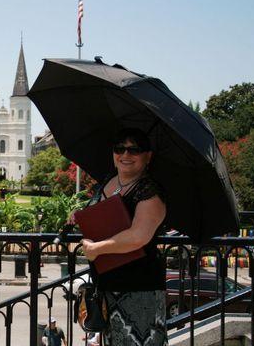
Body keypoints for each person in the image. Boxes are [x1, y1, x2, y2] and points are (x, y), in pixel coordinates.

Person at [79, 128, 168, 346]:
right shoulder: (109, 181)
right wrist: (81, 215)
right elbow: (101, 214)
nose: (125, 155)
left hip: (138, 288)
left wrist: (98, 248)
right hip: (108, 286)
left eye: (134, 150)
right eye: (120, 148)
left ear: (148, 156)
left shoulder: (149, 191)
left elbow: (138, 236)